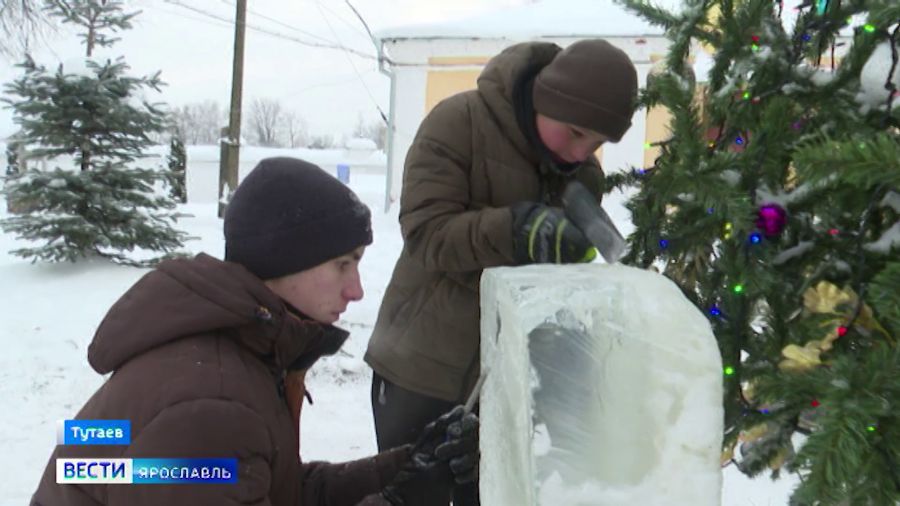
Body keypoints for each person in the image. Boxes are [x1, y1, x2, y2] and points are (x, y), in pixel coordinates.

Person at [31, 157, 478, 506]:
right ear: (286, 260)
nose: (357, 290)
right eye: (343, 264)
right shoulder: (209, 404)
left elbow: (273, 489)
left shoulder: (235, 355)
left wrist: (405, 466)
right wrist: (404, 500)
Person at [365, 39, 639, 505]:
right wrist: (516, 230)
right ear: (546, 100)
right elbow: (426, 233)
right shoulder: (460, 123)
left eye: (596, 143)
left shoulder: (579, 175)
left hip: (505, 386)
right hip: (421, 369)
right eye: (574, 133)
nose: (581, 152)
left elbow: (554, 291)